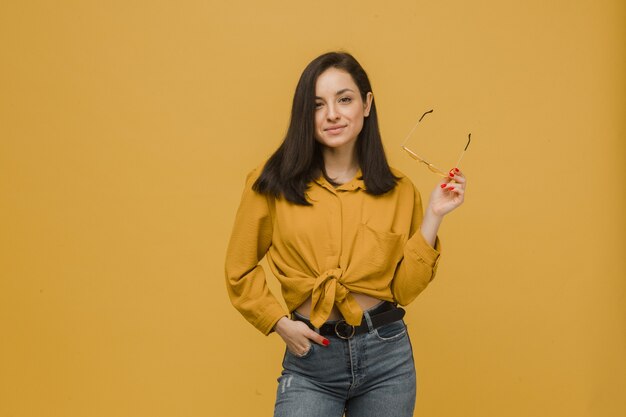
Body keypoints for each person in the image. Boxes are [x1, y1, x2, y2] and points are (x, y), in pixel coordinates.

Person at [224, 51, 466, 417]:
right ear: (304, 114)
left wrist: (434, 217)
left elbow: (403, 291)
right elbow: (239, 269)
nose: (332, 114)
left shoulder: (399, 190)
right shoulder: (270, 183)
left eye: (345, 99)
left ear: (367, 104)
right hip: (312, 358)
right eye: (317, 104)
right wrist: (278, 323)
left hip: (388, 359)